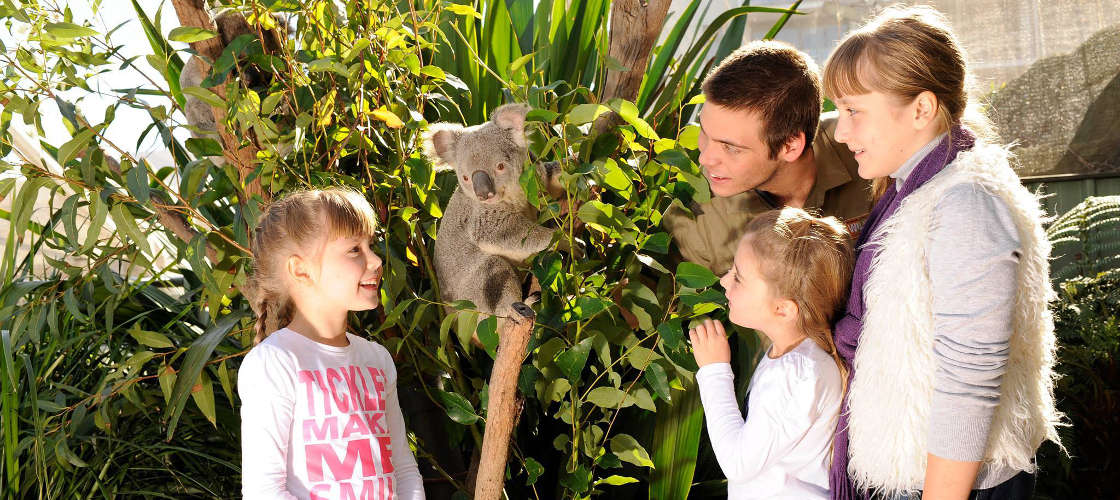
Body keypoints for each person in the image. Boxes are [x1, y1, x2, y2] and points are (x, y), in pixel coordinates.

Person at [823, 6, 1063, 500]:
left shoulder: (964, 204)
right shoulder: (913, 194)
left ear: (922, 108)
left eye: (853, 111)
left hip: (952, 485)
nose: (842, 133)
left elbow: (970, 379)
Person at [238, 189, 425, 500]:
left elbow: (403, 469)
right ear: (300, 270)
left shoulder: (376, 359)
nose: (376, 260)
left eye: (371, 246)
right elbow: (264, 492)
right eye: (354, 249)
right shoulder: (275, 364)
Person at [664, 40, 872, 276]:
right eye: (704, 131)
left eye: (730, 147)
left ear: (790, 146)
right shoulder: (693, 219)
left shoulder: (869, 148)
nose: (706, 159)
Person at [689, 207, 853, 499]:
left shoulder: (796, 374)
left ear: (784, 309)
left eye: (738, 278)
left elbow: (738, 463)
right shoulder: (795, 358)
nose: (724, 281)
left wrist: (714, 371)